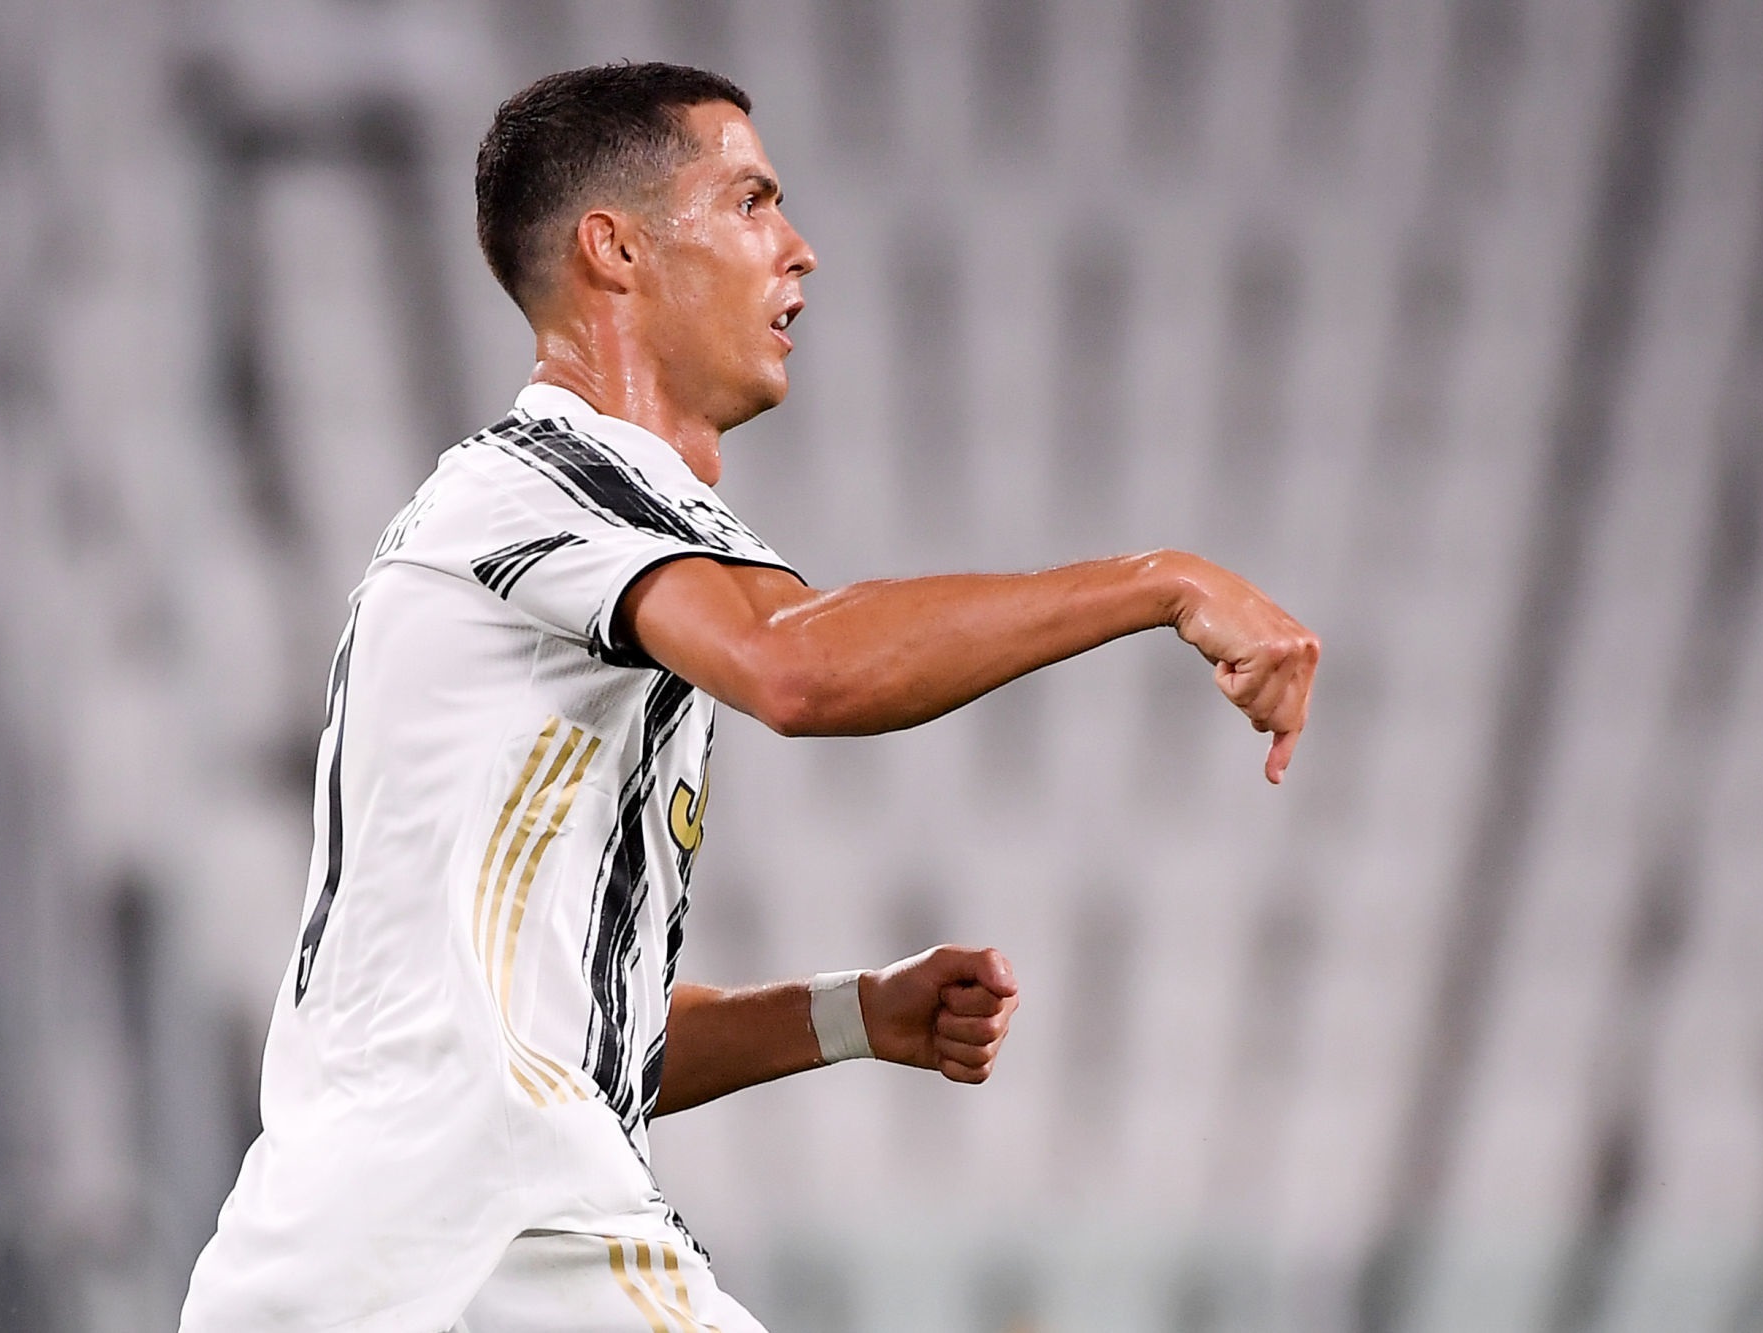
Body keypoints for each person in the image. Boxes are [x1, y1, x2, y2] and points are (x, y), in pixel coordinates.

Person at [180, 61, 1318, 1333]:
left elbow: (577, 1030)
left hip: (373, 1243)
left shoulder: (539, 528)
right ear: (614, 249)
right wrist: (1159, 581)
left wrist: (853, 1015)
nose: (797, 247)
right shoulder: (555, 480)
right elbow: (799, 665)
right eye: (749, 201)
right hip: (475, 1218)